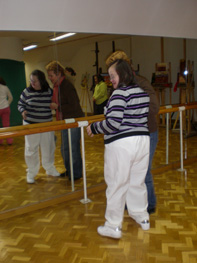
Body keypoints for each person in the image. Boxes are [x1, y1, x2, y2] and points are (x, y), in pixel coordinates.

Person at [87, 58, 150, 239]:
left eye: (112, 76)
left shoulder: (119, 94)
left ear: (122, 74)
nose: (110, 79)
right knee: (137, 181)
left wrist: (94, 127)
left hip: (122, 144)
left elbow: (113, 124)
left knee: (116, 183)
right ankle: (142, 216)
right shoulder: (142, 92)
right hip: (142, 141)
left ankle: (113, 225)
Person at [106, 50, 160, 214]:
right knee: (128, 171)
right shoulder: (119, 87)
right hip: (127, 136)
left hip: (146, 133)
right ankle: (133, 204)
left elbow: (154, 107)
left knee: (143, 171)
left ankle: (149, 205)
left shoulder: (141, 83)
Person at [18, 70, 60, 184]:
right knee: (31, 150)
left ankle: (49, 168)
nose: (32, 83)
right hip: (31, 125)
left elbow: (55, 103)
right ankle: (31, 172)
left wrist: (55, 106)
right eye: (31, 80)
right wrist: (23, 111)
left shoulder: (49, 91)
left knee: (49, 147)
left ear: (41, 80)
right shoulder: (26, 92)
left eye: (34, 81)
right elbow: (20, 104)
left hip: (46, 125)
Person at [46, 61, 84, 181]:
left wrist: (57, 107)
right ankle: (70, 170)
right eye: (49, 76)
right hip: (64, 121)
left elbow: (74, 106)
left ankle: (76, 173)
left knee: (73, 148)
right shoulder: (57, 86)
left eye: (51, 75)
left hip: (73, 120)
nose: (50, 78)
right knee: (65, 148)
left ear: (59, 74)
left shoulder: (67, 85)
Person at [0, 77, 13, 145]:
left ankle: (0, 141)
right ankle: (9, 141)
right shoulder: (5, 87)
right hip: (5, 108)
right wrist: (7, 104)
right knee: (7, 125)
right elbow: (11, 97)